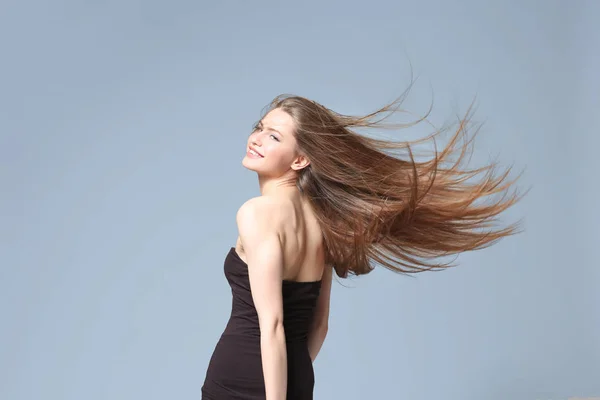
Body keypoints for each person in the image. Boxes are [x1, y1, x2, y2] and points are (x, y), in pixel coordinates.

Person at [200, 90, 525, 400]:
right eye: (260, 128)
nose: (256, 138)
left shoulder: (256, 213)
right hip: (296, 378)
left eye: (274, 136)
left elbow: (272, 325)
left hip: (240, 379)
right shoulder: (322, 221)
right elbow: (320, 325)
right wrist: (295, 380)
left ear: (300, 159)